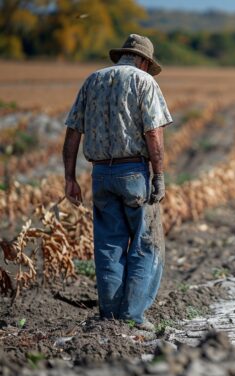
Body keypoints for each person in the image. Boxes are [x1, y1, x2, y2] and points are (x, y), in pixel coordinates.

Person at [62, 34, 172, 331]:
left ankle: (109, 315)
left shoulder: (92, 80)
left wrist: (70, 177)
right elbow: (153, 134)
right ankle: (132, 316)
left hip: (100, 175)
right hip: (134, 172)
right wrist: (159, 176)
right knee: (146, 244)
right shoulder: (144, 82)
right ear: (144, 61)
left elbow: (73, 131)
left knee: (108, 245)